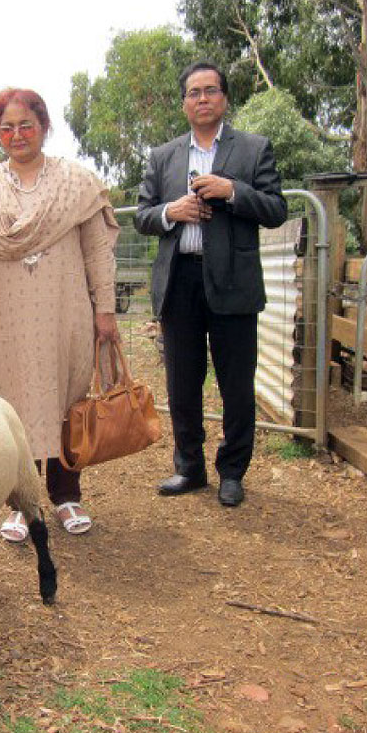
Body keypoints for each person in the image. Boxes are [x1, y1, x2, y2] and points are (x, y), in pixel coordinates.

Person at [0, 88, 119, 541]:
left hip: (65, 315)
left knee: (65, 398)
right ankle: (19, 501)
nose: (17, 134)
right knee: (10, 406)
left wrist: (106, 311)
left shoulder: (76, 182)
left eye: (26, 125)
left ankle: (66, 495)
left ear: (44, 127)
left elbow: (98, 252)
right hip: (4, 318)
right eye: (7, 127)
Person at [134, 61, 287, 508]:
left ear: (224, 98)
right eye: (194, 92)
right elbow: (143, 215)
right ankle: (189, 467)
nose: (202, 99)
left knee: (236, 385)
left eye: (211, 91)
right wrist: (171, 213)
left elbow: (276, 209)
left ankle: (232, 473)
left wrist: (232, 191)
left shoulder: (254, 150)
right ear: (183, 103)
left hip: (234, 282)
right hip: (179, 279)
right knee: (183, 383)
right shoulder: (162, 156)